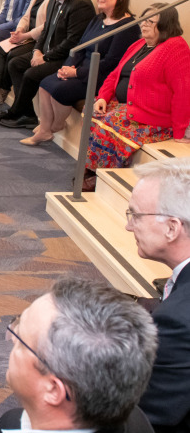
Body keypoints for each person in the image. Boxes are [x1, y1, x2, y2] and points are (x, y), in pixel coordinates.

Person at [0, 277, 157, 433]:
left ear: (53, 390)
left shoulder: (7, 424)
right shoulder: (134, 417)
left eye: (20, 339)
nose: (13, 334)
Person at [82, 4, 190, 190]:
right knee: (92, 110)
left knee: (109, 121)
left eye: (151, 21)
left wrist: (180, 132)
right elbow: (115, 74)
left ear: (165, 25)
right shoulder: (138, 44)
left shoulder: (176, 48)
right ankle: (92, 169)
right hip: (125, 106)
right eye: (143, 19)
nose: (144, 24)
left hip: (152, 115)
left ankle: (99, 175)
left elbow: (183, 91)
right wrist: (103, 97)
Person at [20, 0, 137, 146]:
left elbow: (111, 62)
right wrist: (68, 66)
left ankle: (57, 124)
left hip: (99, 75)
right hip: (80, 68)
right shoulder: (98, 19)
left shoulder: (127, 26)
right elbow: (80, 47)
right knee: (45, 83)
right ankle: (45, 130)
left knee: (60, 90)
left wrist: (76, 73)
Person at [0, 0, 95, 128]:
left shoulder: (80, 4)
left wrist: (45, 57)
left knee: (31, 74)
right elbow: (45, 31)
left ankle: (15, 112)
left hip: (66, 58)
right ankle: (27, 114)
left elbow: (72, 42)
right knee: (15, 64)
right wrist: (37, 50)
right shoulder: (54, 0)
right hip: (47, 53)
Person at [128, 159, 190, 433]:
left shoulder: (177, 321)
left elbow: (147, 417)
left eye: (136, 215)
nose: (129, 226)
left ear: (172, 228)